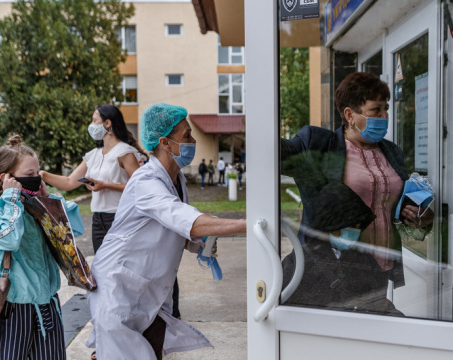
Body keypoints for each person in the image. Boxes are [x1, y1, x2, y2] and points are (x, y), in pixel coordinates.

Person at [86, 103, 247, 360]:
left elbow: (173, 229)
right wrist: (247, 224)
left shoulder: (176, 179)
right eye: (186, 136)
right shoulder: (146, 182)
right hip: (119, 289)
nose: (193, 141)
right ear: (165, 142)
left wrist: (198, 241)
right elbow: (184, 219)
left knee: (151, 351)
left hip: (148, 293)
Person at [280, 72, 433, 314]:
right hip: (334, 268)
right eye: (376, 110)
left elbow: (392, 208)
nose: (385, 116)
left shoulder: (392, 152)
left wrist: (418, 216)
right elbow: (282, 154)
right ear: (350, 115)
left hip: (379, 264)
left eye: (386, 108)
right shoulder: (320, 144)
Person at [0, 135, 84, 359]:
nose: (36, 179)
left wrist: (49, 203)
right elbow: (10, 240)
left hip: (47, 303)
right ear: (6, 178)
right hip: (14, 309)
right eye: (29, 175)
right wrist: (11, 199)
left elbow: (72, 233)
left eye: (37, 173)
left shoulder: (38, 207)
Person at [41, 104, 142, 254]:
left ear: (107, 123)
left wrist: (106, 185)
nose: (91, 125)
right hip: (98, 221)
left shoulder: (125, 152)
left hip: (120, 218)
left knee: (120, 268)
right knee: (101, 269)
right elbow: (69, 182)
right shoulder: (94, 154)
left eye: (95, 121)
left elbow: (140, 186)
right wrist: (42, 175)